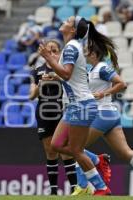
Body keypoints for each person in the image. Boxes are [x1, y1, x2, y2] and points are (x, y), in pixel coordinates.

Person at [71, 41, 133, 196]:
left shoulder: (102, 68)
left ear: (94, 54)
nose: (85, 53)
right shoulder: (92, 69)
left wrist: (103, 93)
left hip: (102, 114)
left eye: (87, 51)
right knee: (125, 152)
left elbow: (122, 84)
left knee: (76, 148)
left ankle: (83, 184)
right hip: (110, 115)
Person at [38, 16, 110, 195]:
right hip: (75, 106)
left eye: (69, 20)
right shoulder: (72, 47)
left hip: (81, 105)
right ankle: (96, 160)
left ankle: (101, 187)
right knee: (56, 145)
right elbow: (72, 75)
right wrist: (55, 75)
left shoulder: (71, 47)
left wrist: (49, 58)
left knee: (76, 151)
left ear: (72, 29)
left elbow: (67, 74)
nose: (65, 20)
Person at [29, 40, 77, 195]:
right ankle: (54, 192)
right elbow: (31, 96)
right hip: (44, 114)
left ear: (60, 52)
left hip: (62, 113)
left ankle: (75, 189)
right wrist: (39, 86)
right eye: (48, 50)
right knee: (50, 151)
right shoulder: (37, 71)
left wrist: (58, 78)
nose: (51, 53)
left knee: (66, 151)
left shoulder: (65, 70)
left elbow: (75, 86)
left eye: (55, 50)